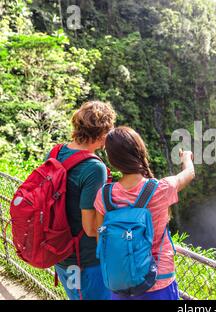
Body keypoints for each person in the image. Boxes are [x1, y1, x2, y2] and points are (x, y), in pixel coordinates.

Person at [94, 126, 195, 300]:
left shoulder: (104, 195)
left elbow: (100, 238)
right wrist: (186, 158)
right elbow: (189, 173)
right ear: (140, 151)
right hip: (159, 281)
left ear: (112, 160)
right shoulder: (161, 189)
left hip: (120, 283)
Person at [53, 101, 116, 300]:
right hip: (85, 261)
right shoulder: (94, 168)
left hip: (61, 254)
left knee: (76, 297)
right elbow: (90, 228)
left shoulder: (57, 152)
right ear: (103, 134)